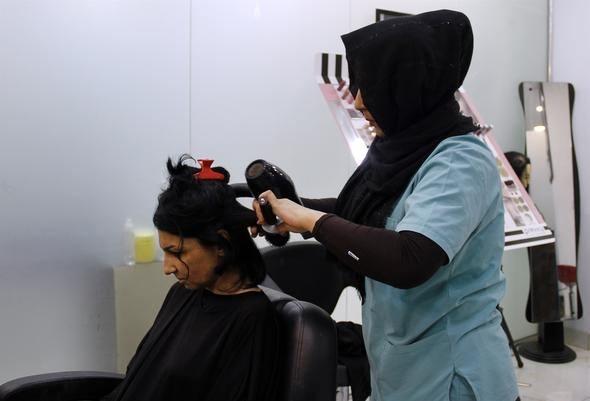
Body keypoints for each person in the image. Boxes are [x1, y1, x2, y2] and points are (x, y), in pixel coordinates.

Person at [251, 10, 519, 401]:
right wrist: (293, 210)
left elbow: (409, 257)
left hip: (451, 374)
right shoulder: (401, 151)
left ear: (409, 87)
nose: (358, 101)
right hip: (402, 369)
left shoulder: (460, 161)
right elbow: (373, 215)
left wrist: (311, 220)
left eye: (371, 84)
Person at [103, 155, 280, 401]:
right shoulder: (182, 293)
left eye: (177, 253)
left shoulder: (252, 318)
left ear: (221, 243)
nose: (167, 268)